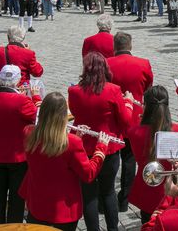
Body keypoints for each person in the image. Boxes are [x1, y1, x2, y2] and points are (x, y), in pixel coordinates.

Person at [21, 92, 110, 231]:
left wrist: (74, 135)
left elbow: (52, 152)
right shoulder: (72, 143)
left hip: (37, 204)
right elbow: (89, 174)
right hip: (63, 211)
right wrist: (101, 148)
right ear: (63, 117)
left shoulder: (28, 132)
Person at [68, 52, 134, 231]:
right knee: (108, 191)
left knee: (88, 195)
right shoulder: (113, 90)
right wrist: (128, 102)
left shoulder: (73, 91)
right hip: (109, 148)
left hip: (83, 147)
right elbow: (126, 120)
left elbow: (74, 112)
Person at [0, 65, 40, 224]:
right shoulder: (22, 101)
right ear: (17, 81)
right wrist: (34, 96)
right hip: (18, 157)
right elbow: (37, 116)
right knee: (17, 200)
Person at [127, 85, 178, 223]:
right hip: (173, 189)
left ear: (146, 107)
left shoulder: (134, 131)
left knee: (148, 222)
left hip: (148, 187)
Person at [106, 31, 154, 210]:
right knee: (129, 160)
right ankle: (124, 199)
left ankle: (107, 195)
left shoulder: (107, 63)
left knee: (110, 158)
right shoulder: (143, 64)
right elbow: (148, 88)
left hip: (112, 118)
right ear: (130, 45)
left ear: (114, 47)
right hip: (134, 117)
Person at [0, 25, 44, 93]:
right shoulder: (28, 53)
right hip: (20, 92)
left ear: (8, 37)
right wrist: (28, 51)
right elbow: (38, 72)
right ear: (23, 38)